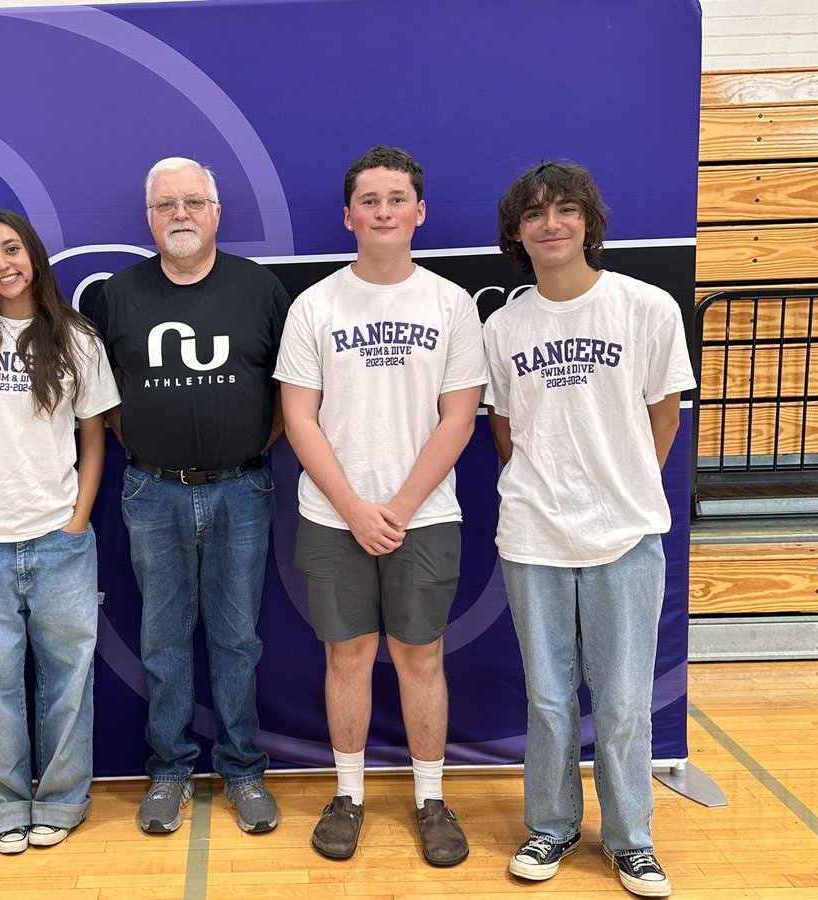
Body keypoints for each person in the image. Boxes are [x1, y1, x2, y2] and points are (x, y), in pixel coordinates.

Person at [484, 161, 694, 898]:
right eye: (535, 214)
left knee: (624, 702)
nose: (551, 224)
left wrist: (622, 487)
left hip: (626, 535)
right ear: (517, 233)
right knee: (548, 699)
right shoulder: (503, 327)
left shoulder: (646, 308)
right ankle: (552, 826)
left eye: (565, 210)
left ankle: (632, 841)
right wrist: (549, 485)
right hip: (534, 535)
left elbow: (663, 416)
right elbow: (506, 429)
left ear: (588, 222)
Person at [275, 146, 486, 866]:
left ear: (419, 212)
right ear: (348, 216)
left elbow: (459, 417)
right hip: (333, 516)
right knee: (348, 656)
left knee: (420, 656)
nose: (383, 211)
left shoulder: (451, 304)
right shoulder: (315, 305)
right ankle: (349, 795)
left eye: (397, 199)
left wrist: (395, 505)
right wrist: (355, 508)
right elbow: (299, 418)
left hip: (423, 516)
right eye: (370, 200)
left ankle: (431, 797)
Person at [92, 157, 291, 835]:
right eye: (166, 205)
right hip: (153, 491)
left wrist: (246, 450)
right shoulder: (116, 296)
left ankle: (243, 770)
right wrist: (154, 450)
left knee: (237, 639)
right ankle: (171, 770)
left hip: (243, 489)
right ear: (149, 218)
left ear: (216, 212)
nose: (180, 214)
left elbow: (289, 392)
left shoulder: (260, 290)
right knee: (163, 640)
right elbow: (104, 396)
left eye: (193, 202)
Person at [0, 210, 118, 854]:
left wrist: (78, 518)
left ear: (32, 255)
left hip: (60, 540)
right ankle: (2, 804)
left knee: (69, 680)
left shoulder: (77, 338)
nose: (1, 264)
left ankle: (61, 801)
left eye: (11, 249)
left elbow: (94, 438)